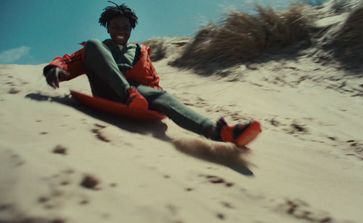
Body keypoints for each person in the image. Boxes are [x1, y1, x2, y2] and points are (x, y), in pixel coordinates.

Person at [43, 1, 260, 147]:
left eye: (125, 27)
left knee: (163, 95)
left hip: (138, 98)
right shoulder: (98, 48)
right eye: (116, 26)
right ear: (108, 27)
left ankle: (220, 132)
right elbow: (70, 62)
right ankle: (129, 94)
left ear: (131, 29)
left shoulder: (141, 50)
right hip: (109, 92)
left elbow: (152, 81)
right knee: (92, 43)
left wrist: (155, 100)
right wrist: (57, 68)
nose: (121, 30)